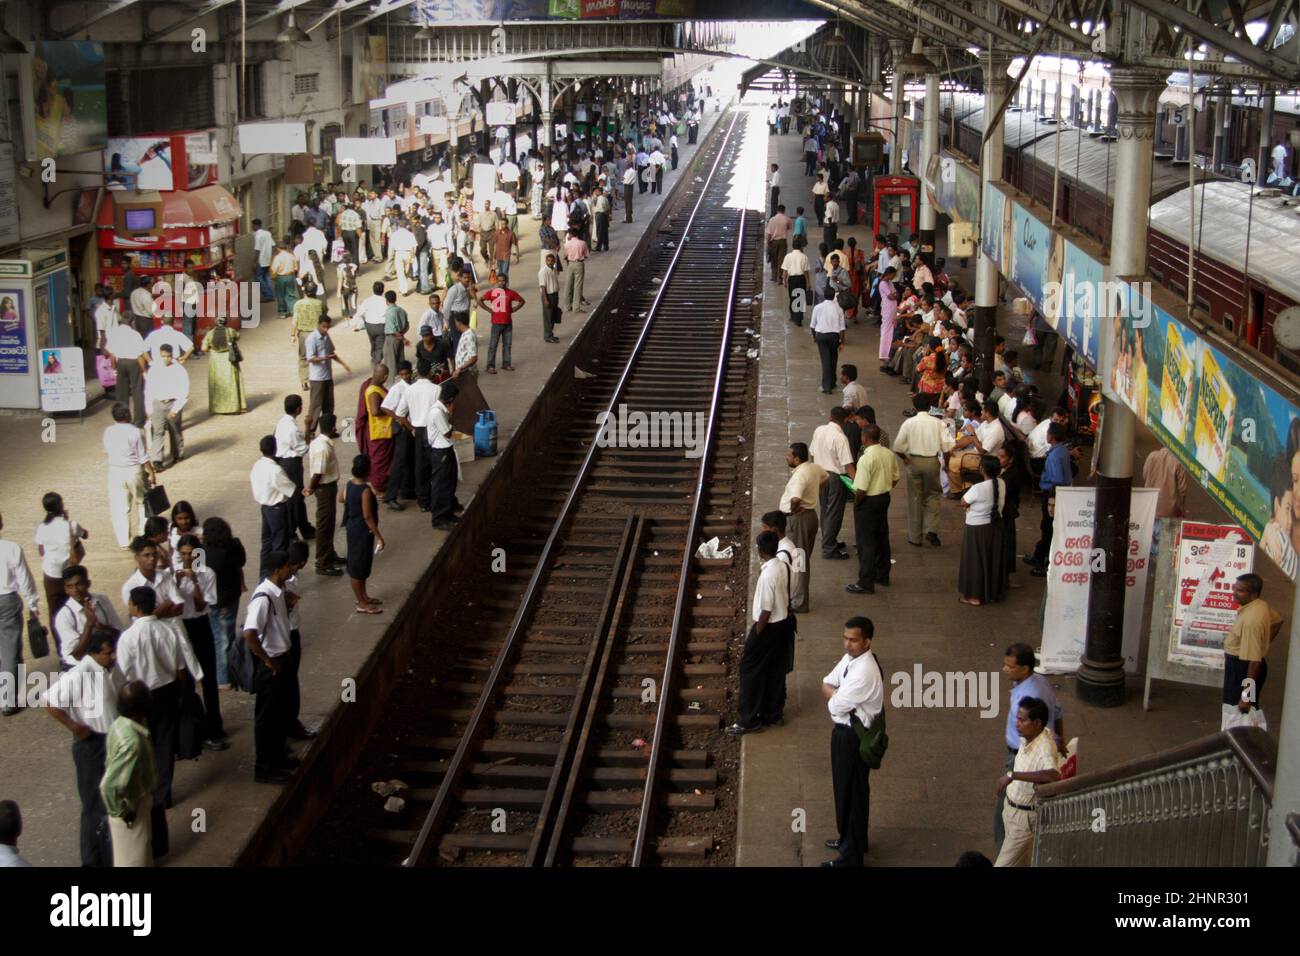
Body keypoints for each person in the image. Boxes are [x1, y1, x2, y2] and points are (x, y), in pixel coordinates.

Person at [115, 585, 192, 860]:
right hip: (168, 689)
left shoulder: (128, 637)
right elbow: (180, 668)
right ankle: (164, 793)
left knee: (144, 745)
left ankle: (150, 792)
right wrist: (181, 694)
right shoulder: (167, 630)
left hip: (142, 695)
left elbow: (125, 673)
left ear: (135, 607)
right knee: (164, 742)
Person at [44, 627, 124, 866]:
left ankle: (106, 855)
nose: (113, 657)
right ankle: (92, 860)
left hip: (107, 740)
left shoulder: (103, 670)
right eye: (108, 653)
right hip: (92, 745)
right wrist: (75, 728)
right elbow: (49, 701)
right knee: (92, 805)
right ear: (94, 653)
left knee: (106, 803)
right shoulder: (80, 673)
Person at [821, 616, 883, 867]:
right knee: (849, 791)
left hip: (853, 738)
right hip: (847, 733)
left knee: (851, 793)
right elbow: (826, 682)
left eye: (854, 640)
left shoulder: (864, 672)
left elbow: (834, 703)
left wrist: (835, 695)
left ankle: (851, 855)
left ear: (867, 641)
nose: (847, 644)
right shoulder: (852, 659)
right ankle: (851, 838)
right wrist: (836, 695)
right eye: (845, 638)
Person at [995, 643, 1065, 849]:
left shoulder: (1032, 695)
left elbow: (1051, 773)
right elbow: (1058, 711)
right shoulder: (1041, 682)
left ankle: (1004, 850)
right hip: (1022, 752)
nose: (1005, 669)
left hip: (1021, 755)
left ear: (1024, 669)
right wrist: (1060, 739)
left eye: (1010, 666)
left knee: (1006, 804)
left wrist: (1012, 775)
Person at [726, 531, 792, 735]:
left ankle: (748, 720)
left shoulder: (767, 575)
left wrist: (756, 634)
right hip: (784, 623)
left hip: (768, 626)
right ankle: (773, 713)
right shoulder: (783, 565)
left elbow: (765, 610)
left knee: (749, 670)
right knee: (774, 669)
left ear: (761, 550)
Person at [242, 550, 296, 785]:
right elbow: (249, 633)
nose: (291, 570)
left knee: (280, 713)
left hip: (282, 658)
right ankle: (264, 767)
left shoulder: (279, 592)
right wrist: (267, 660)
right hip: (271, 665)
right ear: (277, 570)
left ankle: (278, 757)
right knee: (267, 718)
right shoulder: (263, 598)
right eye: (287, 566)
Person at [993, 696, 1063, 867]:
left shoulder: (1044, 747)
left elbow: (1053, 774)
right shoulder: (1029, 736)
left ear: (1037, 723)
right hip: (1011, 810)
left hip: (1024, 820)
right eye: (1017, 718)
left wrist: (1013, 776)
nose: (1017, 723)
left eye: (1022, 720)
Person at [100, 680, 157, 867]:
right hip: (132, 807)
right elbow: (109, 785)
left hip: (136, 802)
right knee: (134, 860)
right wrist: (124, 813)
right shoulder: (132, 742)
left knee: (142, 855)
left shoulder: (120, 724)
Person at [892, 393, 954, 548]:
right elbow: (947, 447)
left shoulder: (909, 423)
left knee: (915, 497)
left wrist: (905, 459)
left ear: (914, 407)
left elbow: (897, 446)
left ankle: (915, 537)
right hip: (932, 461)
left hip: (913, 461)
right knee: (933, 494)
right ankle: (931, 529)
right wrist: (945, 464)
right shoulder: (938, 423)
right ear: (929, 407)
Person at [1222, 573, 1283, 727]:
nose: (1234, 592)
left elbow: (1254, 662)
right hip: (1246, 667)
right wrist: (1264, 643)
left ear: (1253, 594)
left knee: (1236, 709)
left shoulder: (1252, 621)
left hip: (1242, 669)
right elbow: (1278, 620)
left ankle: (1239, 742)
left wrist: (1246, 696)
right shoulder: (1260, 605)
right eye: (1235, 588)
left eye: (1240, 590)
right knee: (1242, 710)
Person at [847, 425, 899, 594]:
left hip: (868, 501)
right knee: (882, 536)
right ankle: (882, 575)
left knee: (866, 542)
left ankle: (865, 582)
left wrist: (857, 502)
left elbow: (861, 488)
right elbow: (895, 478)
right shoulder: (888, 454)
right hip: (884, 497)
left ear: (864, 438)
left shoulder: (865, 459)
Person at [0, 513, 40, 714]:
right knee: (10, 651)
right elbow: (24, 578)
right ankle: (7, 700)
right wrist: (33, 604)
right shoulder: (11, 548)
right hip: (7, 600)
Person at [780, 442, 826, 613]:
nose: (786, 457)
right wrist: (813, 495)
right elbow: (825, 477)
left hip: (799, 520)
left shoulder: (800, 475)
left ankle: (799, 602)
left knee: (799, 561)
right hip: (810, 516)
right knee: (800, 558)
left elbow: (795, 499)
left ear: (797, 459)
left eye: (789, 455)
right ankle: (798, 597)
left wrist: (795, 510)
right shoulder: (813, 468)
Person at [200, 517, 245, 689]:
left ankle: (223, 677)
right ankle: (226, 675)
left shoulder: (203, 553)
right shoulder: (234, 546)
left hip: (211, 601)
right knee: (226, 637)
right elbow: (242, 562)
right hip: (230, 598)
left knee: (219, 639)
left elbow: (196, 572)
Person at [957, 456, 1007, 606]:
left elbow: (963, 502)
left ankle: (974, 596)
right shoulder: (1001, 483)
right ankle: (991, 592)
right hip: (995, 526)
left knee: (975, 562)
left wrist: (968, 507)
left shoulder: (978, 488)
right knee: (991, 560)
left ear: (982, 469)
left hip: (976, 528)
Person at [341, 454, 386, 614]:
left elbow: (341, 498)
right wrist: (379, 536)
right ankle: (361, 602)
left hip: (352, 528)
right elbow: (367, 516)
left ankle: (364, 596)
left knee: (361, 565)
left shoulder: (349, 485)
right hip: (361, 531)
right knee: (357, 567)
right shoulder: (365, 491)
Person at [34, 491, 87, 627]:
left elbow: (41, 550)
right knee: (76, 607)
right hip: (69, 574)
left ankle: (59, 643)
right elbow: (85, 534)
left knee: (55, 612)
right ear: (60, 505)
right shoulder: (71, 525)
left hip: (51, 575)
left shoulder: (42, 527)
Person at [810, 407, 856, 561]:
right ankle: (829, 547)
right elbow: (848, 465)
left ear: (830, 416)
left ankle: (828, 539)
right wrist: (858, 484)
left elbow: (812, 453)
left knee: (825, 509)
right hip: (835, 477)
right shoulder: (840, 437)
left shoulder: (819, 430)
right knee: (834, 512)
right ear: (844, 420)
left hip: (819, 473)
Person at [1026, 422, 1072, 576]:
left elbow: (1057, 478)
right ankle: (1038, 557)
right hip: (1059, 493)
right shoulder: (1062, 451)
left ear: (1051, 436)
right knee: (1048, 528)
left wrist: (1051, 494)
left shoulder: (1054, 456)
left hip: (1052, 494)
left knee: (1047, 528)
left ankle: (1043, 563)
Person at [251, 435, 297, 581]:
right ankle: (277, 577)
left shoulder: (257, 465)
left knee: (266, 544)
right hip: (277, 509)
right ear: (275, 449)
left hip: (265, 507)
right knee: (279, 544)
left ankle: (263, 575)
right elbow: (290, 489)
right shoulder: (275, 470)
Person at [275, 395, 315, 541]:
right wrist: (308, 426)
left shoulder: (282, 422)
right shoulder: (292, 428)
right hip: (291, 464)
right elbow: (304, 448)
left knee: (296, 498)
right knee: (296, 498)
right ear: (298, 408)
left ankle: (304, 527)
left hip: (283, 462)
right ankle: (292, 531)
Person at [305, 313, 350, 440]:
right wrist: (324, 358)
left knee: (329, 405)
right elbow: (310, 358)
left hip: (327, 375)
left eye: (328, 328)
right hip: (317, 377)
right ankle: (311, 430)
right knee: (315, 405)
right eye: (324, 327)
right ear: (319, 324)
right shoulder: (312, 339)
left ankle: (328, 429)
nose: (326, 330)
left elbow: (332, 353)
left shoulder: (326, 336)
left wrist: (344, 365)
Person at [144, 344, 188, 470]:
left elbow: (184, 390)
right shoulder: (154, 370)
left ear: (171, 356)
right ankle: (157, 460)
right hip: (157, 403)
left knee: (175, 430)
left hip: (173, 402)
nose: (166, 359)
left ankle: (177, 454)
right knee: (158, 432)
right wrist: (148, 408)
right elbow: (148, 390)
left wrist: (176, 408)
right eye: (163, 356)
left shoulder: (179, 370)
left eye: (168, 356)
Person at [380, 362, 415, 509]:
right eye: (402, 374)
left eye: (407, 373)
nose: (405, 376)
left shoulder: (412, 386)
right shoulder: (397, 388)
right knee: (399, 461)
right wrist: (399, 418)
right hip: (401, 428)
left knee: (409, 459)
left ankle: (407, 490)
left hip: (410, 427)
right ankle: (390, 496)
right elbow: (385, 407)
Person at [105, 312, 149, 426]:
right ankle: (139, 420)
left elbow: (112, 355)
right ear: (132, 322)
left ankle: (123, 419)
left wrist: (114, 368)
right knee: (137, 392)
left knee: (121, 393)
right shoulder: (135, 334)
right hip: (134, 363)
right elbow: (141, 355)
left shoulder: (113, 334)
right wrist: (145, 370)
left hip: (121, 363)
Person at [1142, 446, 1187, 553]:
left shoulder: (1151, 456)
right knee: (1164, 547)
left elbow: (1144, 475)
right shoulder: (1178, 462)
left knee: (1147, 543)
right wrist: (1182, 508)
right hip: (1167, 511)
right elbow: (1183, 490)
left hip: (1149, 506)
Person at [428, 380, 460, 530]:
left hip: (446, 449)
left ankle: (448, 512)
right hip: (441, 452)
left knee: (450, 482)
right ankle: (439, 518)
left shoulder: (441, 410)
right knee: (442, 484)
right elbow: (448, 432)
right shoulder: (437, 412)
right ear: (451, 399)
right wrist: (452, 412)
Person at [481, 272, 525, 373]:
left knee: (507, 344)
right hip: (496, 323)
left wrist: (515, 309)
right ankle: (490, 366)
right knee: (493, 345)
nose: (501, 283)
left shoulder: (511, 293)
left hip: (508, 323)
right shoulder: (492, 292)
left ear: (506, 282)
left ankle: (506, 364)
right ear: (496, 282)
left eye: (503, 281)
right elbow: (480, 300)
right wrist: (489, 310)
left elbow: (522, 301)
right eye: (499, 281)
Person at [201, 316, 246, 414]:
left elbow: (203, 348)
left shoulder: (210, 333)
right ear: (225, 322)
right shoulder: (230, 331)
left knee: (216, 384)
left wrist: (212, 350)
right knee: (231, 382)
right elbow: (238, 336)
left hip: (215, 361)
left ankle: (217, 408)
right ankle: (234, 407)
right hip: (229, 359)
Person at [810, 291, 846, 395]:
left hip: (821, 335)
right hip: (834, 336)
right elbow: (842, 328)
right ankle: (832, 381)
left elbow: (812, 325)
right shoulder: (838, 308)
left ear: (824, 296)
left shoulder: (818, 307)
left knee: (825, 361)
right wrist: (842, 342)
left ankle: (826, 386)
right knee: (833, 358)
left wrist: (814, 337)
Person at [781, 236, 812, 326]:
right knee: (801, 297)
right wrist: (809, 282)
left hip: (792, 279)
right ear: (801, 247)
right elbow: (806, 271)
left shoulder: (788, 256)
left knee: (793, 296)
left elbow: (785, 271)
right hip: (801, 278)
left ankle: (793, 316)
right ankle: (799, 317)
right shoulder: (804, 257)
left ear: (793, 246)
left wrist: (784, 280)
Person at [357, 281, 389, 367]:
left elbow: (360, 313)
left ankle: (374, 356)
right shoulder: (385, 302)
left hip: (369, 326)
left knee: (373, 342)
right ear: (383, 290)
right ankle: (376, 361)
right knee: (380, 345)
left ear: (373, 290)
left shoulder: (367, 300)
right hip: (381, 326)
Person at [562, 228, 590, 315]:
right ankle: (576, 307)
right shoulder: (582, 243)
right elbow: (586, 255)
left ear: (570, 234)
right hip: (579, 264)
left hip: (570, 264)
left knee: (568, 285)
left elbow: (564, 256)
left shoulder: (567, 244)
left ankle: (567, 306)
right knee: (578, 285)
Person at [270, 236, 298, 318]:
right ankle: (293, 311)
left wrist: (273, 277)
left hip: (280, 277)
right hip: (290, 276)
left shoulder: (277, 258)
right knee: (290, 294)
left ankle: (283, 312)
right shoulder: (291, 256)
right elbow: (296, 267)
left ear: (278, 248)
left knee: (280, 295)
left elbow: (274, 269)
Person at [539, 252, 562, 344]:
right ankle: (548, 336)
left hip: (555, 295)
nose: (550, 262)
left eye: (552, 261)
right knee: (548, 317)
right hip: (548, 295)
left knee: (553, 315)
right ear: (545, 261)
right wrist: (545, 300)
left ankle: (551, 334)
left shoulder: (554, 269)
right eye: (548, 260)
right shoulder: (543, 272)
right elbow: (542, 287)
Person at [765, 204, 792, 281]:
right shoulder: (787, 219)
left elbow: (769, 233)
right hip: (783, 241)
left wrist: (768, 242)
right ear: (784, 210)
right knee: (781, 260)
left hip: (773, 242)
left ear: (777, 210)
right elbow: (789, 227)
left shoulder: (772, 219)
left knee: (773, 259)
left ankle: (774, 277)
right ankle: (780, 278)